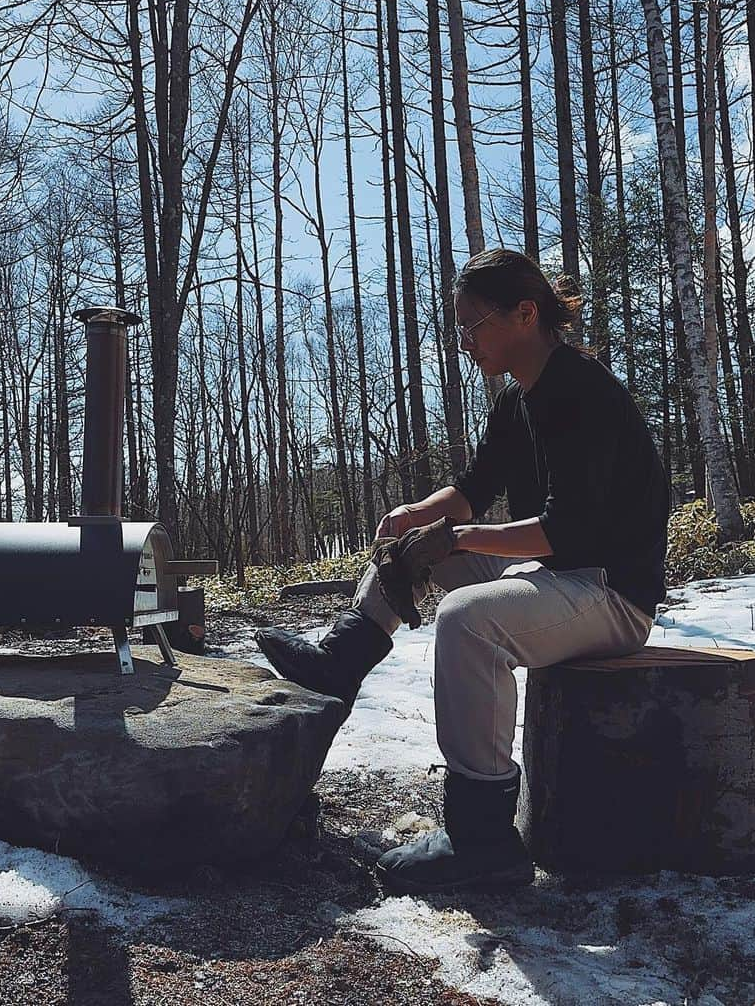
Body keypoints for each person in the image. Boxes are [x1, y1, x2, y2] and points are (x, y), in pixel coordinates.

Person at [256, 248, 670, 894]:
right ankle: (342, 660)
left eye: (472, 327)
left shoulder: (581, 393)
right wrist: (417, 516)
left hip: (612, 595)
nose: (463, 344)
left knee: (467, 621)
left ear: (524, 314)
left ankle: (483, 841)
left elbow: (567, 531)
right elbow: (474, 488)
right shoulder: (519, 401)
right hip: (559, 577)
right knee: (419, 545)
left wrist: (453, 537)